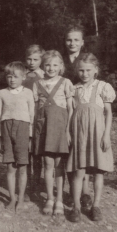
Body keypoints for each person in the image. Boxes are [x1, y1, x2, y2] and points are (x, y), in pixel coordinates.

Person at [67, 53, 116, 222]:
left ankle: (95, 206)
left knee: (98, 172)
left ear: (96, 70)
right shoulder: (74, 89)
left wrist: (106, 135)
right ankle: (76, 207)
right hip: (80, 134)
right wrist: (68, 132)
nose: (84, 74)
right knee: (78, 171)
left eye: (88, 70)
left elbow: (108, 113)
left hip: (98, 134)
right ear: (76, 70)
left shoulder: (103, 87)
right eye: (81, 70)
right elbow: (71, 113)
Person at [33, 50, 73, 215]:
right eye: (48, 64)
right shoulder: (37, 84)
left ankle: (59, 201)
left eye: (55, 65)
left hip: (60, 128)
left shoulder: (65, 82)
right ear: (43, 66)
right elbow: (35, 110)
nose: (51, 68)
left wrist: (68, 130)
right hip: (44, 129)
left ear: (61, 66)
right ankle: (49, 198)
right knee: (47, 164)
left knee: (59, 165)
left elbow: (71, 109)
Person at [0, 61, 34, 212]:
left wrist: (30, 137)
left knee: (23, 167)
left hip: (23, 130)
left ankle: (21, 198)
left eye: (16, 76)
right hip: (6, 129)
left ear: (23, 77)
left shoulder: (28, 93)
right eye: (9, 76)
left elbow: (31, 116)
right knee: (10, 167)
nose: (12, 79)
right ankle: (12, 198)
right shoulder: (2, 93)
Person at [64, 25, 92, 209]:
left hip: (84, 110)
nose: (72, 43)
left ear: (82, 42)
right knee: (68, 148)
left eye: (76, 40)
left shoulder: (88, 61)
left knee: (84, 148)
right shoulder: (61, 61)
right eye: (69, 40)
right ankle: (72, 187)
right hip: (65, 108)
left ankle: (86, 191)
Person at [23, 44, 45, 199]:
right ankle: (26, 184)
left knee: (37, 152)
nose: (31, 62)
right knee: (26, 151)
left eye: (35, 59)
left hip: (38, 116)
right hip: (24, 116)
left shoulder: (44, 75)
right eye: (29, 59)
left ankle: (36, 184)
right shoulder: (22, 74)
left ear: (41, 60)